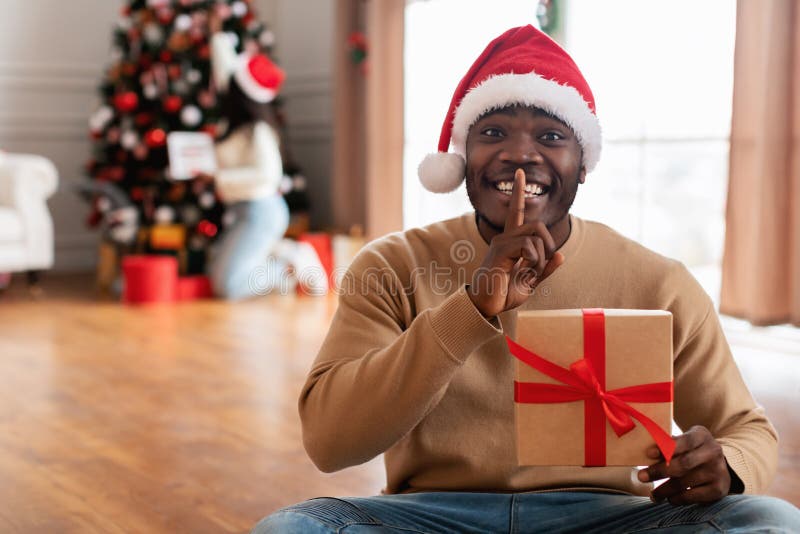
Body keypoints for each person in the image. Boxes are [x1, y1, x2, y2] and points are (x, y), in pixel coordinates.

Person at [253, 25, 800, 532]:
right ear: (463, 155)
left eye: (551, 136)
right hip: (433, 515)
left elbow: (747, 430)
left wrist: (725, 467)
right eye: (493, 132)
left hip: (608, 517)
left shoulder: (659, 281)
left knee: (770, 520)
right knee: (295, 528)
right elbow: (329, 442)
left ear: (583, 164)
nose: (519, 155)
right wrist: (470, 309)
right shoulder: (393, 266)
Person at [207, 21, 327, 299]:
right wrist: (218, 36)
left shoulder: (259, 131)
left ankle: (291, 259)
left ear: (241, 92)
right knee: (218, 275)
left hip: (262, 212)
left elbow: (268, 176)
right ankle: (278, 253)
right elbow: (225, 69)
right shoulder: (235, 115)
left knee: (229, 287)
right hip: (241, 210)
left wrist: (218, 178)